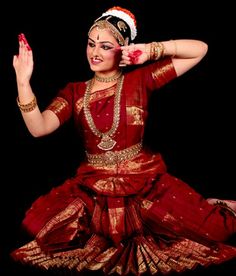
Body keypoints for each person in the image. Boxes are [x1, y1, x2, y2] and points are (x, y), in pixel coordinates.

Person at [11, 6, 236, 275]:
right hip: (93, 187)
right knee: (41, 227)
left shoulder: (140, 81)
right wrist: (23, 82)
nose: (94, 53)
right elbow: (39, 128)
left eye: (105, 46)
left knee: (212, 229)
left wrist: (151, 51)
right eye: (91, 44)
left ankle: (213, 205)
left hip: (143, 183)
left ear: (123, 49)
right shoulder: (75, 92)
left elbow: (200, 49)